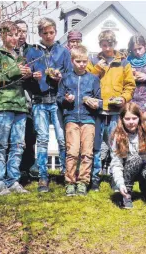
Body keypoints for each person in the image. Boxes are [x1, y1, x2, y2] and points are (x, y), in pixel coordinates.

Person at [26, 18, 72, 192]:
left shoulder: (63, 51)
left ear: (55, 32)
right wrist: (33, 76)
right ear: (40, 34)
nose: (48, 36)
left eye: (51, 32)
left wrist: (61, 77)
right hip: (39, 100)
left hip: (58, 101)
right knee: (43, 139)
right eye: (45, 33)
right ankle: (43, 177)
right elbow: (26, 75)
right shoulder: (32, 52)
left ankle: (66, 174)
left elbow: (69, 74)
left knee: (62, 139)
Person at [0, 21, 31, 195]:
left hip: (20, 104)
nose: (14, 38)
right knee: (2, 144)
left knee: (18, 144)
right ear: (2, 35)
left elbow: (19, 78)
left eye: (16, 34)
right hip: (3, 103)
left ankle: (13, 180)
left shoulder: (19, 55)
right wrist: (14, 71)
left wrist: (27, 75)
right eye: (10, 35)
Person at [87, 30, 136, 191]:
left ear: (114, 44)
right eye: (103, 45)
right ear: (100, 45)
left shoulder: (123, 62)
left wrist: (124, 98)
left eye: (110, 45)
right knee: (95, 147)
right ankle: (94, 178)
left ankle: (117, 179)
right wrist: (96, 70)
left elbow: (130, 86)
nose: (107, 48)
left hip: (115, 111)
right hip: (97, 110)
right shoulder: (93, 60)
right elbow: (85, 81)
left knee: (117, 146)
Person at [57, 45, 102, 196]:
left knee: (87, 152)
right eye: (78, 61)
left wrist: (95, 103)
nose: (82, 64)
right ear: (72, 61)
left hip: (88, 119)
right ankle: (70, 182)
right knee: (72, 151)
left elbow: (99, 100)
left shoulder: (93, 79)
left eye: (84, 61)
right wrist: (66, 100)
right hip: (71, 118)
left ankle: (83, 182)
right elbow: (58, 98)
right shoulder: (66, 78)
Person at [110, 103, 146, 209]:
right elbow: (116, 163)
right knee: (136, 158)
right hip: (126, 170)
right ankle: (126, 193)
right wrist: (120, 184)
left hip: (145, 166)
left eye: (134, 118)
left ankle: (145, 189)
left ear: (139, 118)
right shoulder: (117, 136)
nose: (131, 122)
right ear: (122, 119)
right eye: (127, 119)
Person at [14, 19, 37, 179]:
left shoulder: (32, 50)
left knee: (29, 135)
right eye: (18, 31)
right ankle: (13, 171)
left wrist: (33, 74)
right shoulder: (7, 50)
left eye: (24, 31)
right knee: (13, 137)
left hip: (29, 97)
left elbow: (38, 69)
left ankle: (27, 169)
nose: (21, 35)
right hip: (11, 98)